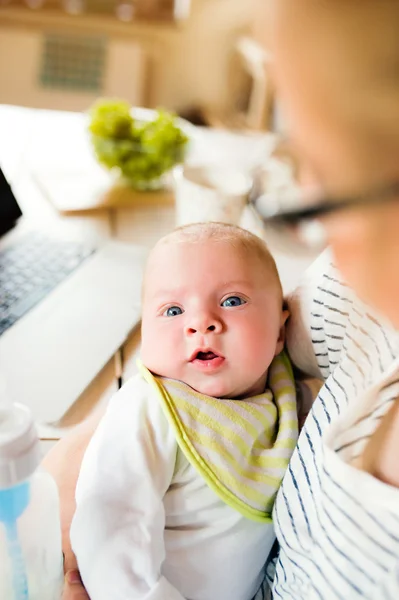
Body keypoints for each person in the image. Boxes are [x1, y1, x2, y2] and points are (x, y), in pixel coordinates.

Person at [46, 0, 399, 597]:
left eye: (317, 184)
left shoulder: (274, 390)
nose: (202, 325)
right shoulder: (162, 408)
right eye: (173, 311)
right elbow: (114, 531)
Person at [68, 222, 298, 600]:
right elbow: (110, 524)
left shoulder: (282, 394)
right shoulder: (151, 408)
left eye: (232, 300)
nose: (201, 323)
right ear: (144, 334)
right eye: (172, 310)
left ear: (279, 333)